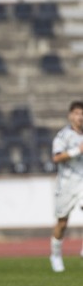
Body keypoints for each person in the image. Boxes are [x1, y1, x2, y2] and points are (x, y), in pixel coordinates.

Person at [49, 101, 83, 272]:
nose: (80, 117)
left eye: (82, 113)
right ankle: (55, 255)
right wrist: (77, 150)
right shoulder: (63, 136)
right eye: (77, 113)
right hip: (67, 184)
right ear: (71, 115)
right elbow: (56, 158)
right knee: (62, 223)